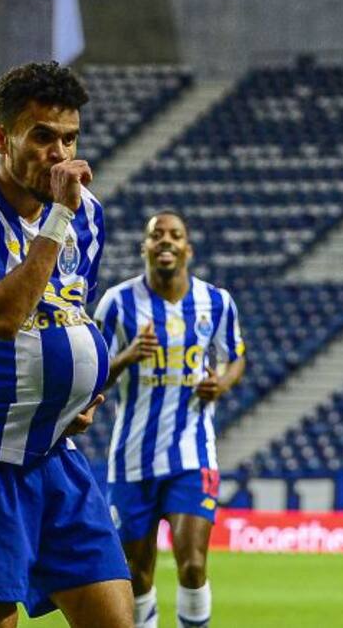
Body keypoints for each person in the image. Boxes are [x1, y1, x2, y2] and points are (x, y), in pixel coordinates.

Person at [0, 61, 132, 628]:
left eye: (69, 138)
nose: (59, 154)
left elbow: (67, 314)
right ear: (1, 139)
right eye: (41, 137)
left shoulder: (90, 219)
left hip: (55, 453)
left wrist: (72, 398)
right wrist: (58, 217)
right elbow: (4, 315)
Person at [95, 210, 246, 628]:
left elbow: (235, 357)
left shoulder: (216, 302)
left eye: (174, 235)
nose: (165, 240)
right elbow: (89, 372)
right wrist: (127, 356)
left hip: (192, 455)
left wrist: (222, 384)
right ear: (145, 247)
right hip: (131, 461)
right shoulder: (117, 303)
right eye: (156, 234)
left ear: (187, 248)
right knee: (137, 577)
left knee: (193, 565)